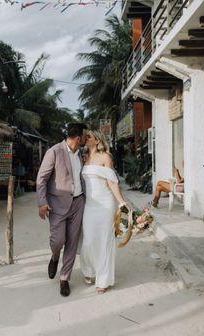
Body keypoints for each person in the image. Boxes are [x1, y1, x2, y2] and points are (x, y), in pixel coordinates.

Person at [36, 123, 87, 297]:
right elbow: (41, 178)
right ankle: (55, 256)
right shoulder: (54, 151)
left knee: (72, 242)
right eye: (85, 136)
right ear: (78, 138)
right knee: (58, 240)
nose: (86, 139)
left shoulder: (81, 155)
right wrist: (42, 202)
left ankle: (64, 279)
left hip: (78, 202)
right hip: (57, 204)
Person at [80, 130, 131, 294]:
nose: (85, 139)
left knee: (104, 241)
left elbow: (112, 182)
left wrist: (122, 202)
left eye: (88, 137)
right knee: (88, 241)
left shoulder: (105, 157)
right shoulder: (83, 157)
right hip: (89, 205)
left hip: (105, 204)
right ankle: (89, 269)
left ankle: (103, 280)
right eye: (85, 136)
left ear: (97, 140)